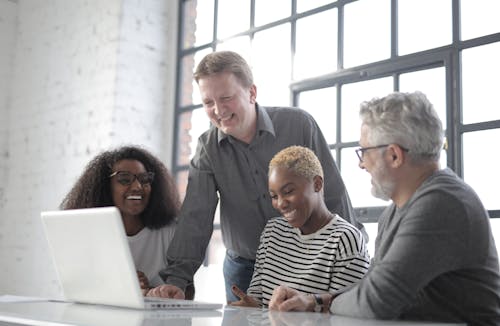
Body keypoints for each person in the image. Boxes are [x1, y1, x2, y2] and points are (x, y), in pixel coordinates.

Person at [147, 51, 365, 302]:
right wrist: (177, 279)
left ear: (251, 93)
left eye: (226, 98)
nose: (218, 110)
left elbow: (333, 193)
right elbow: (195, 216)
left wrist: (353, 253)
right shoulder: (208, 147)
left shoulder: (299, 124)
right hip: (245, 268)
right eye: (208, 102)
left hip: (308, 262)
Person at [268, 92, 500, 325]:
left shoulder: (442, 203)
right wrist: (315, 301)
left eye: (364, 151)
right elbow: (370, 288)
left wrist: (325, 304)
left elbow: (374, 301)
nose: (361, 164)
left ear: (394, 155)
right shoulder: (396, 211)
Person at [229, 146, 370, 309]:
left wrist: (308, 307)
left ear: (317, 184)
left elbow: (348, 313)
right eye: (274, 196)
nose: (280, 204)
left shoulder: (345, 239)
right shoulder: (272, 232)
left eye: (288, 191)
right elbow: (260, 302)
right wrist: (250, 307)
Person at [60, 145, 195, 298]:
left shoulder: (170, 230)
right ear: (105, 186)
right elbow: (76, 290)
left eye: (144, 179)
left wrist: (149, 292)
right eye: (124, 179)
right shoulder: (88, 232)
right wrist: (122, 288)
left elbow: (189, 292)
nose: (137, 187)